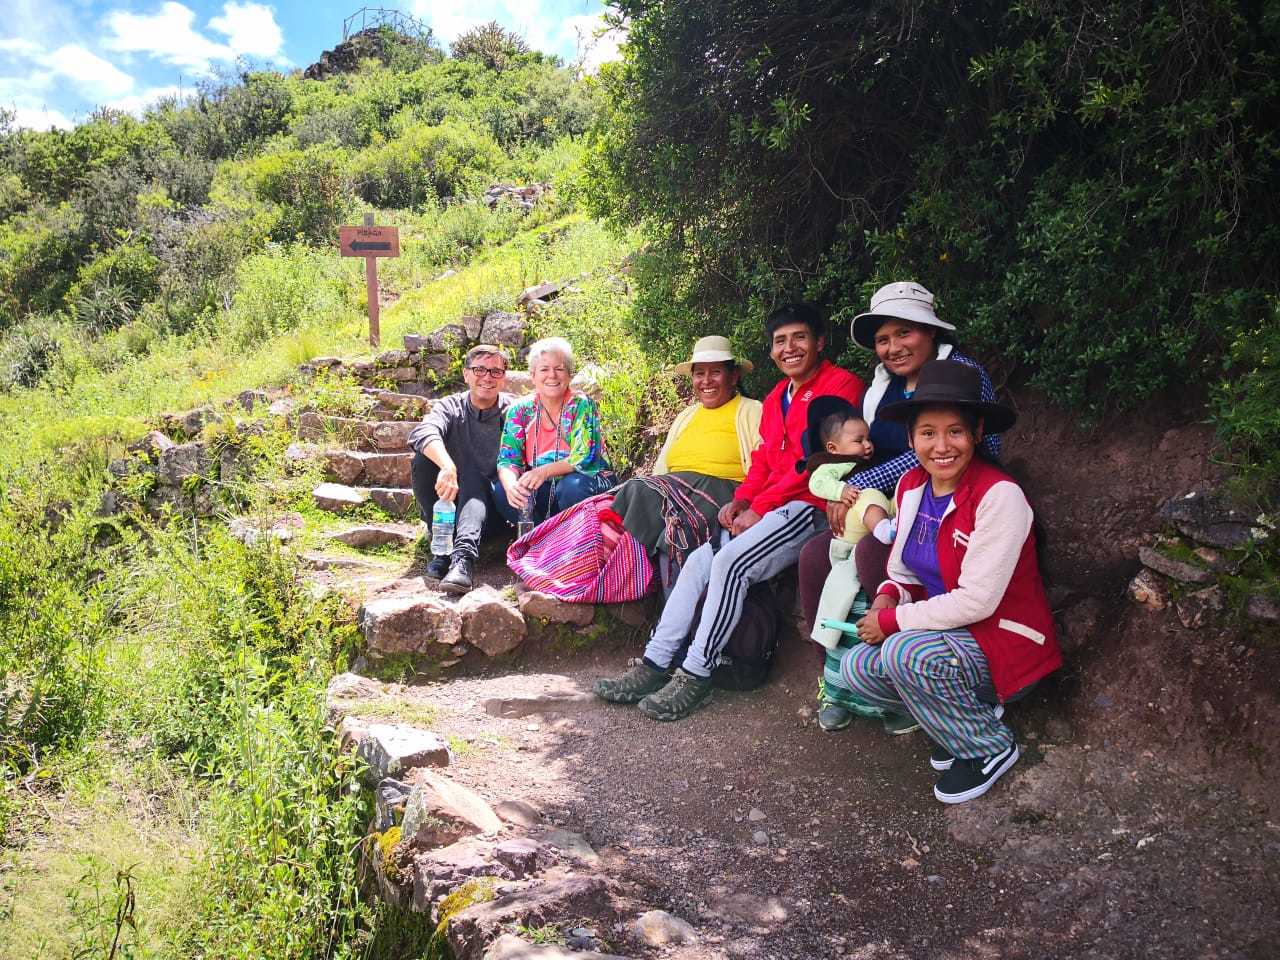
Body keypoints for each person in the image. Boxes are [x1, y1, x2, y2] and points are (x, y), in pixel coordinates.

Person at [593, 303, 865, 721]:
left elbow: (816, 463)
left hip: (808, 506)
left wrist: (761, 508)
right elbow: (762, 462)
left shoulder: (839, 386)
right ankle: (655, 662)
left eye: (800, 338)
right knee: (700, 560)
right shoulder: (778, 397)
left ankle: (697, 673)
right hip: (770, 506)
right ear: (772, 350)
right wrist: (742, 502)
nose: (789, 348)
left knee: (731, 564)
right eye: (780, 341)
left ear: (819, 342)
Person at [840, 359, 1061, 804]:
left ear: (977, 433)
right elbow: (902, 571)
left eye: (955, 431)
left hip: (1002, 642)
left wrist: (895, 622)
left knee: (902, 651)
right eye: (927, 433)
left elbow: (978, 601)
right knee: (856, 669)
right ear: (910, 438)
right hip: (945, 638)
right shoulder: (910, 486)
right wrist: (886, 598)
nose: (941, 446)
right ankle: (958, 721)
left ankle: (990, 747)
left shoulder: (1000, 496)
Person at [798, 281, 1002, 652]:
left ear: (930, 330)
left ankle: (901, 662)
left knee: (875, 554)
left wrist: (859, 486)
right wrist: (843, 491)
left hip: (950, 497)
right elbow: (861, 451)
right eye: (883, 339)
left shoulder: (960, 373)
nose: (893, 348)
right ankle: (833, 672)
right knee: (813, 556)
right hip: (887, 504)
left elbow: (947, 450)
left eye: (904, 332)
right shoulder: (882, 386)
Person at [610, 336, 763, 580]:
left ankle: (667, 602)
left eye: (715, 372)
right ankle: (625, 575)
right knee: (623, 495)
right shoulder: (686, 415)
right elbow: (662, 468)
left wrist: (751, 504)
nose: (706, 381)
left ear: (734, 376)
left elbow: (764, 465)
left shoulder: (753, 410)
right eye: (699, 373)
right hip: (676, 488)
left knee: (677, 528)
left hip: (723, 489)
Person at [800, 402, 900, 731]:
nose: (867, 445)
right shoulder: (834, 466)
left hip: (882, 524)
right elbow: (818, 483)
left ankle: (889, 696)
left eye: (867, 439)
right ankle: (834, 689)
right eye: (859, 441)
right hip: (854, 531)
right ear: (834, 447)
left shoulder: (870, 461)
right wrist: (841, 492)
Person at [407, 343, 515, 594]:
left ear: (504, 379)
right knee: (423, 461)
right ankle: (441, 546)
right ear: (466, 374)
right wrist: (447, 466)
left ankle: (462, 560)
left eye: (495, 371)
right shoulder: (450, 406)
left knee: (475, 477)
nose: (487, 377)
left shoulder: (514, 410)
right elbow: (423, 432)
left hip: (491, 514)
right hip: (448, 511)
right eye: (479, 369)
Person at [494, 337, 616, 526]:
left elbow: (583, 457)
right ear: (533, 376)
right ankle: (540, 540)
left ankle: (576, 542)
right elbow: (508, 459)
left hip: (585, 482)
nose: (552, 375)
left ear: (569, 375)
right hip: (545, 487)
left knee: (571, 488)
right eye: (544, 369)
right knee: (502, 490)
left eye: (559, 369)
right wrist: (511, 485)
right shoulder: (520, 410)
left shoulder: (581, 405)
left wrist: (543, 472)